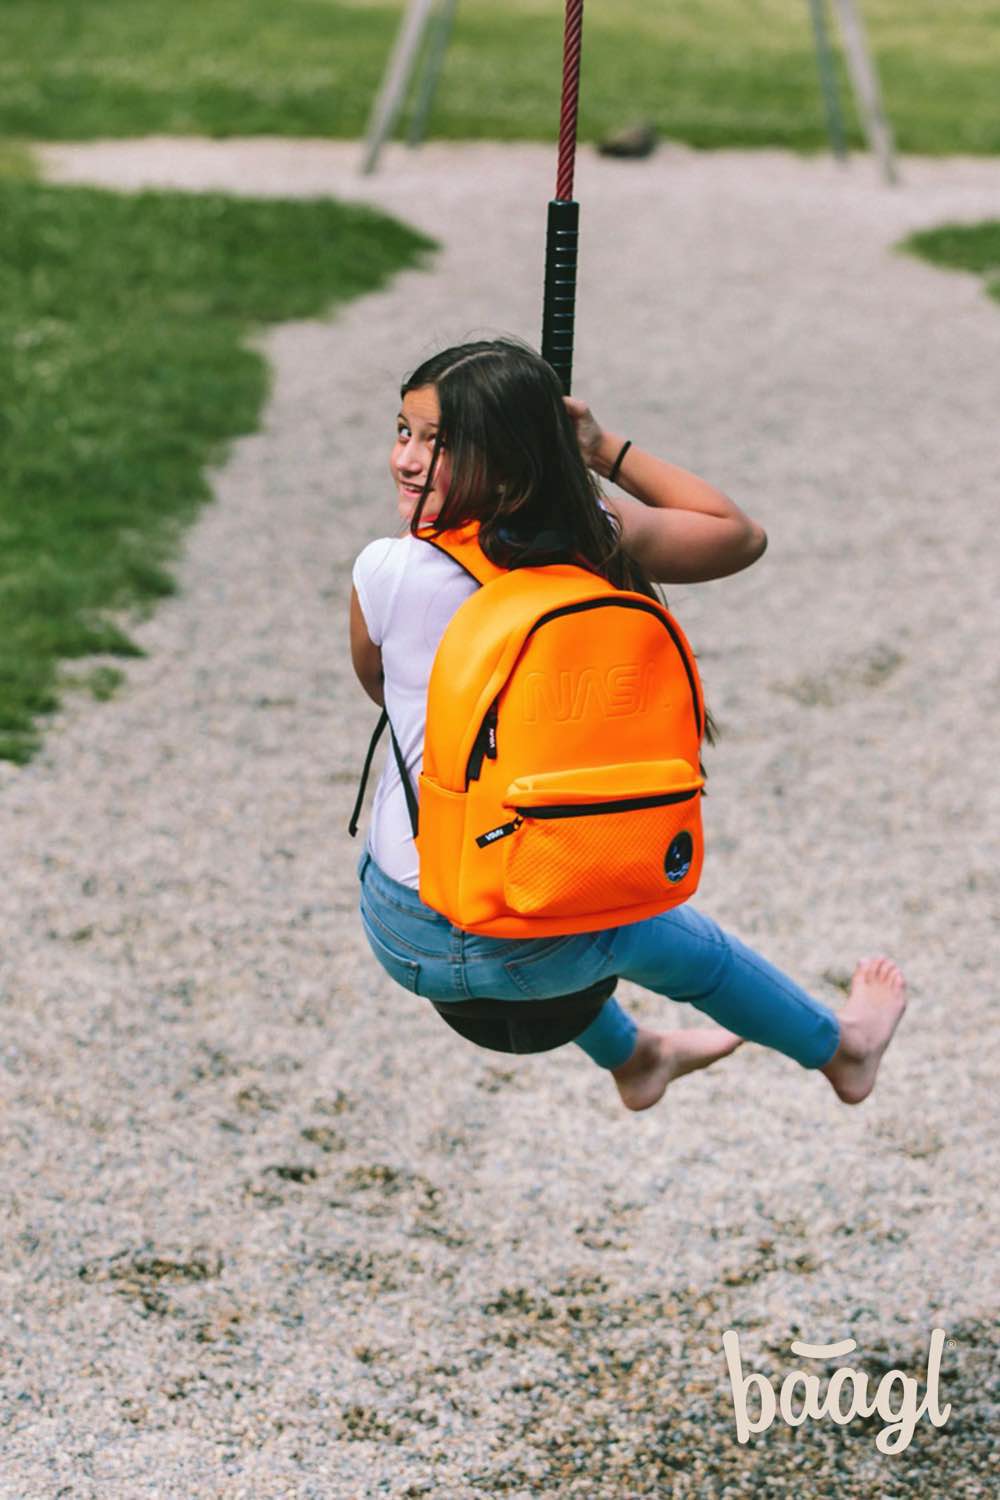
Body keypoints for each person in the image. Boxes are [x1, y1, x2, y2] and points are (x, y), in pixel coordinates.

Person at [349, 338, 906, 1112]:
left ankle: (633, 1053)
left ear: (508, 465)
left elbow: (377, 684)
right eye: (403, 432)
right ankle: (843, 1051)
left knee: (520, 853)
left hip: (399, 930)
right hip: (527, 954)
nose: (406, 459)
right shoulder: (597, 541)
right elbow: (738, 534)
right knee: (656, 926)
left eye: (436, 444)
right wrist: (603, 447)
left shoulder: (386, 568)